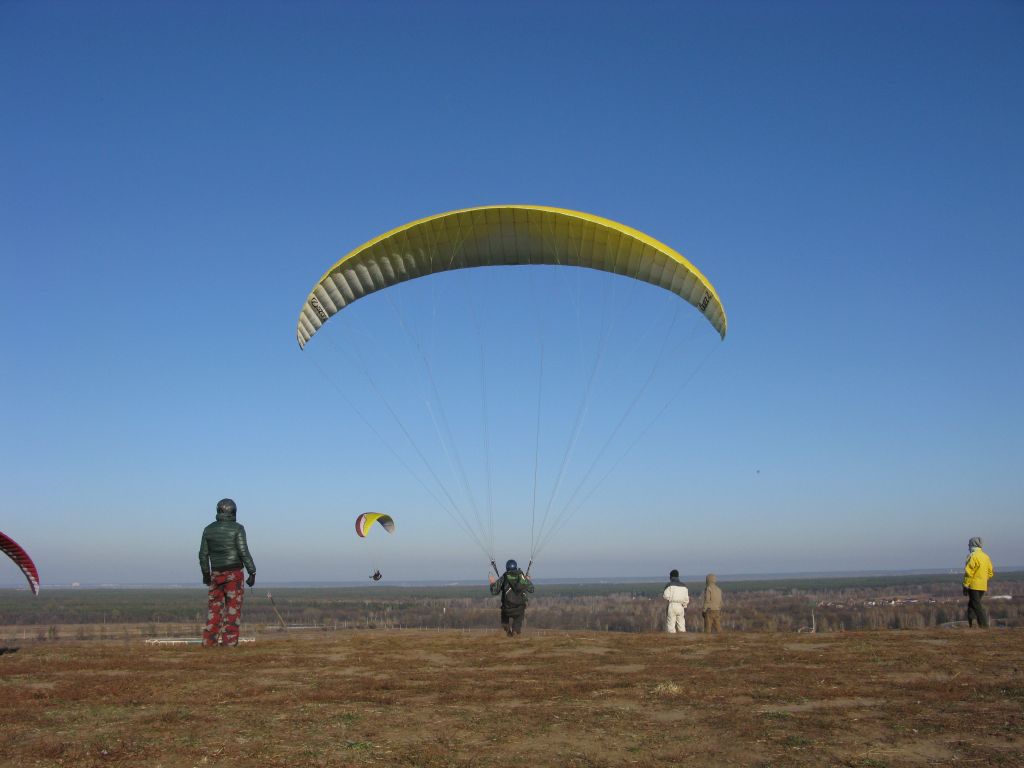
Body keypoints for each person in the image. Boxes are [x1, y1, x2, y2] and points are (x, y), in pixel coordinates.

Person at [198, 498, 256, 647]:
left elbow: (203, 555)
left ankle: (208, 641)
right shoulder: (238, 528)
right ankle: (229, 643)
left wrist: (206, 575)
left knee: (214, 608)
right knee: (232, 609)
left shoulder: (208, 529)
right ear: (234, 512)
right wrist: (252, 571)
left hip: (216, 574)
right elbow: (243, 551)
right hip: (234, 574)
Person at [489, 559, 534, 637]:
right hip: (519, 609)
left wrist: (492, 583)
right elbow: (531, 589)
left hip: (507, 608)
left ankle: (507, 629)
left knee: (504, 616)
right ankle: (515, 631)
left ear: (507, 568)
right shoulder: (522, 577)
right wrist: (527, 580)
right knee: (518, 618)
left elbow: (494, 591)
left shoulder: (504, 577)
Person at [963, 536, 994, 629]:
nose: (968, 547)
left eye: (969, 545)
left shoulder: (972, 556)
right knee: (972, 604)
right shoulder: (986, 556)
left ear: (973, 545)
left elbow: (969, 573)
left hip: (973, 585)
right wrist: (983, 579)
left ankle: (984, 626)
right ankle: (971, 625)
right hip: (983, 586)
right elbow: (990, 573)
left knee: (976, 605)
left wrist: (965, 585)